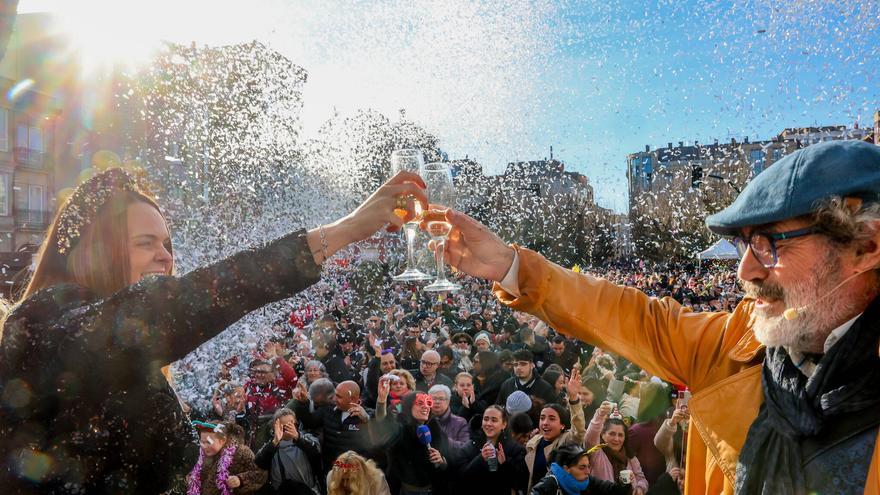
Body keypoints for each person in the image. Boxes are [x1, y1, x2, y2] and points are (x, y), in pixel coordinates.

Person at [435, 140, 880, 493]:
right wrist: (513, 267)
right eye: (744, 245)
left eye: (769, 244)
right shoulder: (736, 344)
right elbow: (637, 318)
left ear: (865, 246)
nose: (745, 270)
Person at [0, 168, 427, 493]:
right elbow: (181, 303)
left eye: (168, 245)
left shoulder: (116, 348)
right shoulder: (42, 324)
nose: (166, 258)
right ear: (95, 250)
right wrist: (345, 230)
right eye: (146, 242)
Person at [374, 378, 450, 495]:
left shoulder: (434, 427)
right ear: (409, 406)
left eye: (428, 403)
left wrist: (442, 461)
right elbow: (382, 423)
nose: (425, 407)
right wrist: (381, 400)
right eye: (420, 403)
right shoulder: (400, 428)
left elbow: (447, 461)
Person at [525, 367, 586, 491]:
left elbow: (579, 430)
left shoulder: (567, 441)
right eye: (542, 418)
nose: (545, 423)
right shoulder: (533, 442)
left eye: (552, 419)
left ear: (562, 425)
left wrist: (573, 398)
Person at [457, 404, 530, 494]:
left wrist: (504, 464)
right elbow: (460, 479)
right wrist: (480, 459)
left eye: (494, 420)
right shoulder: (469, 447)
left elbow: (522, 483)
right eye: (486, 419)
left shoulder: (515, 449)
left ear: (504, 424)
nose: (488, 424)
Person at [254, 408, 322, 495]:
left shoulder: (306, 438)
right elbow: (259, 463)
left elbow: (316, 453)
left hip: (308, 491)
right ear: (276, 427)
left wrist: (298, 438)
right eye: (285, 427)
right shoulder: (271, 445)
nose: (290, 429)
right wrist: (275, 442)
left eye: (292, 425)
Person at [188, 420, 267, 495]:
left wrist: (240, 479)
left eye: (208, 442)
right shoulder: (204, 454)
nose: (204, 446)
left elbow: (260, 473)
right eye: (202, 442)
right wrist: (192, 478)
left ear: (222, 440)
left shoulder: (241, 452)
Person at [586, 402, 649, 495]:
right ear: (602, 434)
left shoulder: (631, 458)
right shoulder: (596, 452)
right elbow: (591, 435)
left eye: (620, 435)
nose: (616, 439)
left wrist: (639, 488)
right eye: (612, 434)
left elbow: (642, 479)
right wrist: (600, 415)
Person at [530, 443, 632, 495]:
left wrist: (623, 482)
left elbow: (612, 491)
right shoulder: (549, 484)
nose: (587, 471)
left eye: (588, 466)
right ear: (566, 468)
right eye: (582, 467)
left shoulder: (587, 481)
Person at [326, 450, 392, 495]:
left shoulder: (378, 479)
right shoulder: (331, 477)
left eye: (348, 479)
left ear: (360, 475)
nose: (345, 484)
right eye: (342, 480)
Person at [428, 384, 470, 450]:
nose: (437, 402)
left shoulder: (460, 422)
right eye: (434, 398)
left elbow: (465, 447)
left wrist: (443, 440)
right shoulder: (423, 420)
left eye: (441, 399)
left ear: (448, 401)